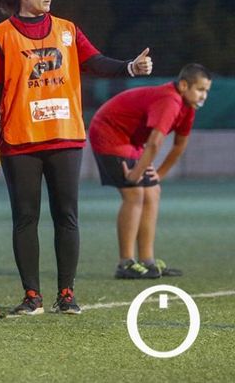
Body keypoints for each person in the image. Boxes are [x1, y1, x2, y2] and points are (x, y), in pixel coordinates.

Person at [0, 0, 153, 315]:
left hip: (64, 137)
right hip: (19, 141)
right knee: (26, 218)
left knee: (66, 216)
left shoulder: (67, 30)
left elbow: (95, 61)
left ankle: (66, 295)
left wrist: (129, 68)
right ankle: (32, 297)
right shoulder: (0, 36)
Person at [89, 64, 212, 279]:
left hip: (131, 139)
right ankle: (125, 263)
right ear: (184, 85)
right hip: (109, 131)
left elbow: (180, 145)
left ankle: (148, 262)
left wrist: (160, 174)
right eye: (200, 89)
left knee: (153, 191)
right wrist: (136, 174)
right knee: (134, 193)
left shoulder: (188, 106)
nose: (204, 96)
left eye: (207, 91)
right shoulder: (171, 100)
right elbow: (155, 143)